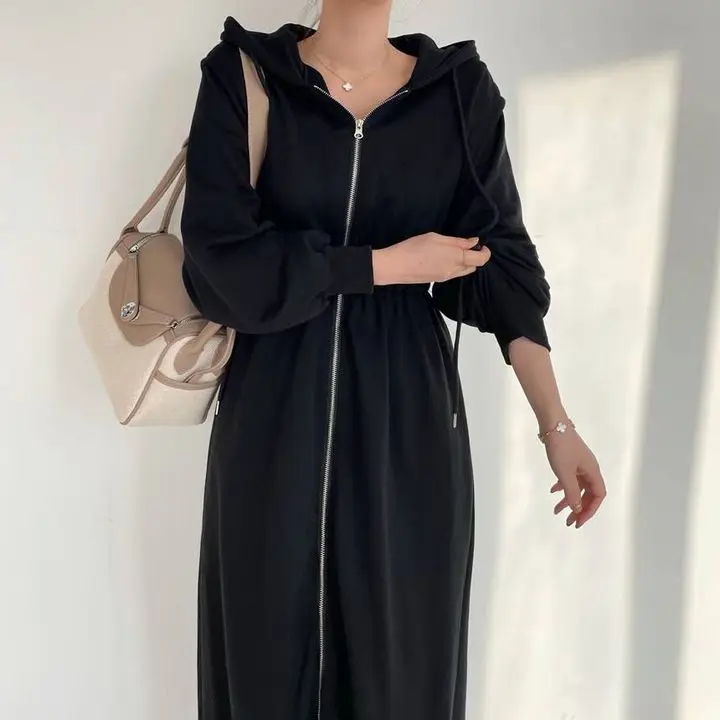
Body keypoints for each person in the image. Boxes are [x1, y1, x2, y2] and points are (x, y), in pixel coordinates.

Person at [180, 1, 607, 718]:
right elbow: (219, 263)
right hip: (273, 417)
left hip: (408, 425)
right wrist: (381, 266)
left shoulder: (458, 93)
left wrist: (556, 425)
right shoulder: (244, 76)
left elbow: (506, 276)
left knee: (401, 675)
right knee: (264, 663)